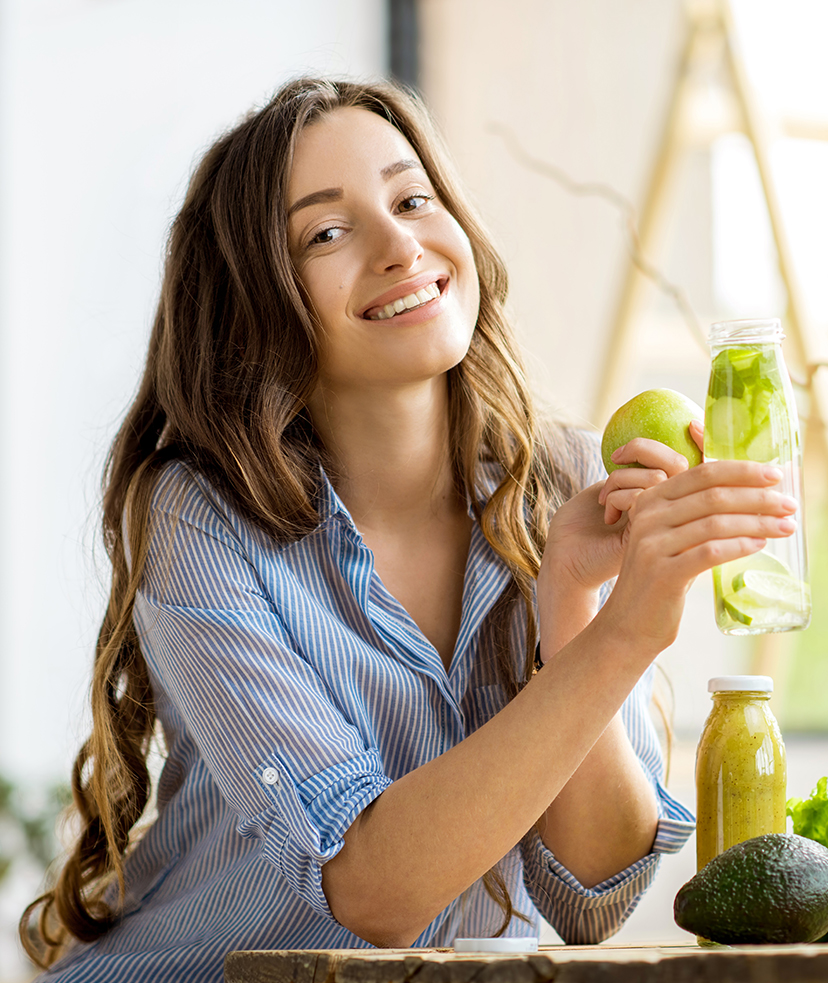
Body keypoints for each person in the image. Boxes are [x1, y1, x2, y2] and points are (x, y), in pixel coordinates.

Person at [21, 76, 797, 982]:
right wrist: (627, 633)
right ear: (254, 302)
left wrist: (579, 613)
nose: (399, 245)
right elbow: (371, 893)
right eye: (327, 232)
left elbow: (591, 897)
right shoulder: (200, 518)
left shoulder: (571, 484)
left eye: (412, 197)